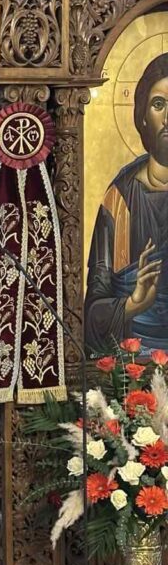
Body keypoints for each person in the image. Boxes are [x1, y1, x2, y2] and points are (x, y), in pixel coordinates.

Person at [84, 53, 168, 354]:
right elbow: (92, 312)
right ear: (143, 115)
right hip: (133, 361)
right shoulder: (120, 198)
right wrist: (134, 304)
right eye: (159, 104)